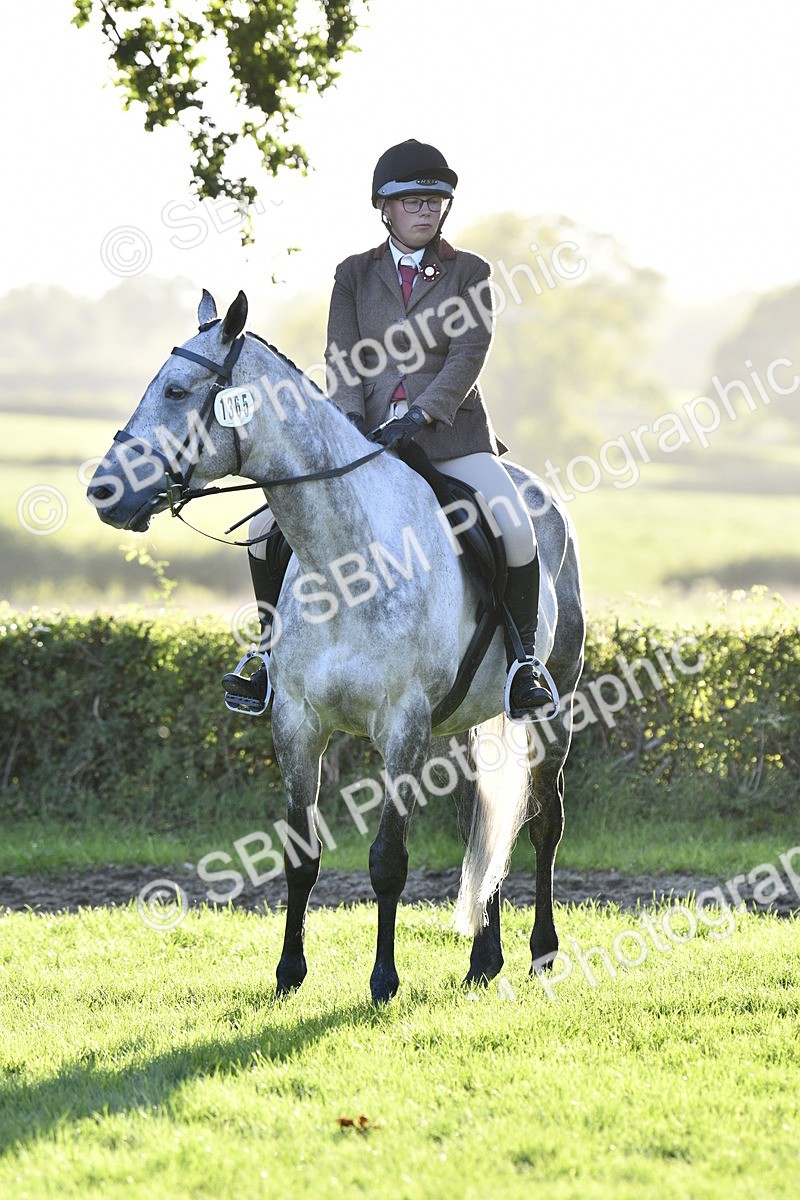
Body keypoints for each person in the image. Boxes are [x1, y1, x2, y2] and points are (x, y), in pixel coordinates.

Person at [222, 138, 554, 719]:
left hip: (449, 437)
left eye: (436, 200)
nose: (427, 209)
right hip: (365, 442)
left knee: (515, 526)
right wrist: (349, 425)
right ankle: (268, 657)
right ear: (385, 207)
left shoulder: (469, 272)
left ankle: (523, 665)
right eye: (413, 200)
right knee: (260, 529)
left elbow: (468, 354)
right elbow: (342, 355)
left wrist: (422, 414)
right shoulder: (353, 274)